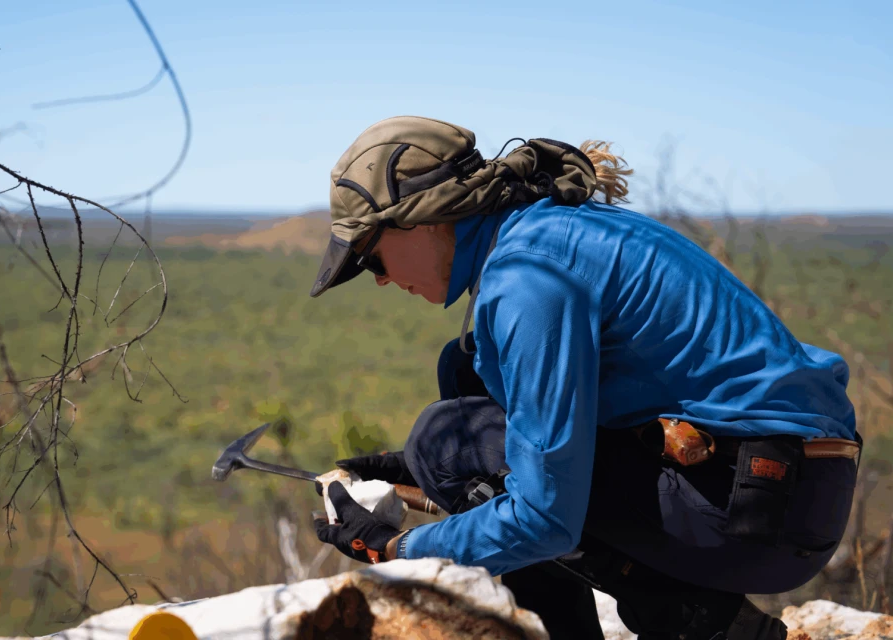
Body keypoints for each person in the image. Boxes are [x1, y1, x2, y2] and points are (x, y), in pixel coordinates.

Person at [309, 116, 860, 640]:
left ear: (422, 218)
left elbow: (544, 517)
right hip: (783, 488)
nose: (378, 280)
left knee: (446, 441)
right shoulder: (544, 234)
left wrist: (400, 547)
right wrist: (411, 470)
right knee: (461, 375)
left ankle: (700, 621)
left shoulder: (526, 279)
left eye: (372, 258)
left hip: (761, 506)